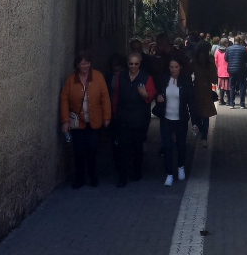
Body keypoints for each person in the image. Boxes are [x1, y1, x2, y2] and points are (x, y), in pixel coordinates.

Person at [60, 52, 111, 188]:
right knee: (78, 150)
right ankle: (79, 178)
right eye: (83, 63)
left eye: (87, 63)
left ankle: (92, 175)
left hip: (94, 121)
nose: (86, 66)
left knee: (92, 149)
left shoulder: (98, 76)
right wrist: (65, 121)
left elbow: (105, 97)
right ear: (77, 64)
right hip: (78, 122)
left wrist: (107, 117)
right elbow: (64, 99)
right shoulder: (71, 79)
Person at [110, 52, 156, 187]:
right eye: (131, 64)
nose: (133, 66)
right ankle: (122, 176)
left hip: (139, 118)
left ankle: (137, 171)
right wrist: (115, 113)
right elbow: (116, 95)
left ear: (140, 64)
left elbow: (152, 94)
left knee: (137, 146)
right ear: (127, 64)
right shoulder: (121, 76)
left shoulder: (146, 77)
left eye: (136, 64)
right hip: (123, 117)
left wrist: (146, 95)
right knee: (123, 146)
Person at [154, 59, 196, 185]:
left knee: (181, 145)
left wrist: (195, 122)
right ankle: (169, 174)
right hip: (166, 119)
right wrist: (158, 98)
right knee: (167, 147)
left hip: (180, 120)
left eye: (176, 67)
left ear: (180, 67)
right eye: (171, 67)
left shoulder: (186, 81)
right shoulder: (164, 79)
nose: (174, 70)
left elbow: (191, 102)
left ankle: (181, 166)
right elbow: (158, 93)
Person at [192, 45, 218, 145]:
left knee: (204, 116)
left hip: (204, 93)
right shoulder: (194, 64)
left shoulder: (208, 65)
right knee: (200, 116)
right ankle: (203, 135)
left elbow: (214, 79)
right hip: (198, 93)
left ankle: (204, 136)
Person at [225, 35, 247, 108]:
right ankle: (242, 104)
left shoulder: (229, 49)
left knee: (232, 86)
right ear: (240, 41)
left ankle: (232, 103)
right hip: (241, 69)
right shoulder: (243, 49)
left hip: (231, 70)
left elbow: (226, 59)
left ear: (234, 41)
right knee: (242, 86)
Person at [215, 37, 230, 105]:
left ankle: (221, 100)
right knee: (228, 86)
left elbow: (216, 61)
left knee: (221, 86)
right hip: (227, 71)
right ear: (225, 43)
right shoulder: (228, 51)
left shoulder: (217, 51)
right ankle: (229, 100)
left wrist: (218, 67)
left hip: (220, 71)